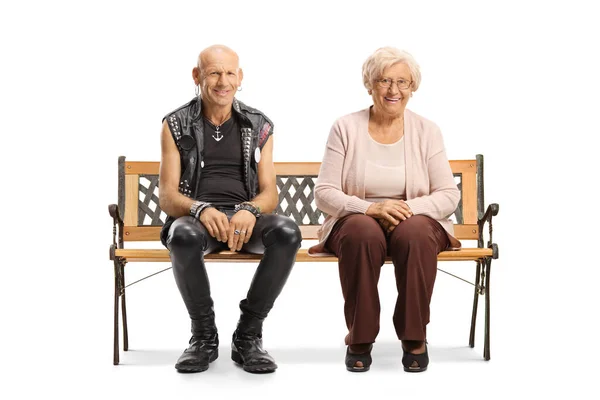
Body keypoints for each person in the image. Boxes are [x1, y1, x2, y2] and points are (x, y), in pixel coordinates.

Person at [309, 47, 461, 373]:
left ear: (412, 87)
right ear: (370, 85)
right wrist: (370, 208)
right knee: (363, 233)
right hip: (358, 218)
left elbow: (448, 195)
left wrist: (407, 208)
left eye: (402, 82)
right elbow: (324, 193)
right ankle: (360, 337)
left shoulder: (427, 131)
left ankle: (414, 336)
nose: (394, 90)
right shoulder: (345, 128)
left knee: (417, 233)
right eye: (384, 81)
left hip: (413, 218)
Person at [158, 45, 302, 373]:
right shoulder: (175, 123)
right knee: (181, 235)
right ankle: (203, 338)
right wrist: (199, 209)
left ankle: (248, 336)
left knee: (287, 233)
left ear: (240, 78)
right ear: (197, 77)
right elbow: (167, 197)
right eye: (213, 72)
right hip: (196, 222)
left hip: (244, 221)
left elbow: (270, 192)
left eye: (229, 73)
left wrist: (249, 210)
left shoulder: (259, 124)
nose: (223, 81)